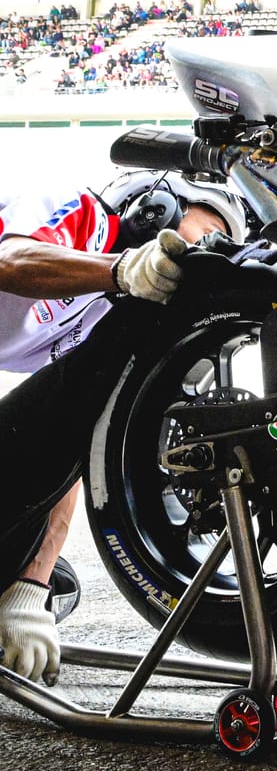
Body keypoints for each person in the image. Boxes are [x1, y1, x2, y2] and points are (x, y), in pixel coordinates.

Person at [0, 171, 245, 684]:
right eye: (209, 233)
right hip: (102, 262)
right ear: (157, 209)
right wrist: (122, 269)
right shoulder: (80, 212)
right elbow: (10, 261)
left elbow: (68, 444)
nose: (209, 252)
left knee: (46, 579)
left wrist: (30, 587)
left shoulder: (112, 308)